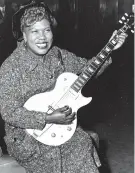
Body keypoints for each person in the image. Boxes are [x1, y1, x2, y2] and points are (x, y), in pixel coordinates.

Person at [0, 1, 127, 173]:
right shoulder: (11, 67)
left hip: (61, 128)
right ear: (24, 34)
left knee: (82, 144)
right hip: (27, 139)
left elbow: (88, 69)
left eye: (46, 30)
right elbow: (8, 111)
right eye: (34, 31)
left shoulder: (58, 55)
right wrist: (47, 118)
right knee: (55, 160)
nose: (42, 37)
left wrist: (111, 47)